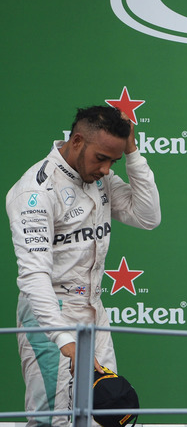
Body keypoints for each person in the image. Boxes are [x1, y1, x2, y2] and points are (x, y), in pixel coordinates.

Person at [7, 106, 161, 427]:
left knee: (104, 417)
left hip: (93, 312)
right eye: (101, 158)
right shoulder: (35, 191)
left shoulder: (99, 178)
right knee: (54, 420)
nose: (106, 169)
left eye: (113, 161)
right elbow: (34, 277)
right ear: (77, 141)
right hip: (49, 316)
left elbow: (148, 216)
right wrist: (65, 340)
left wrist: (132, 153)